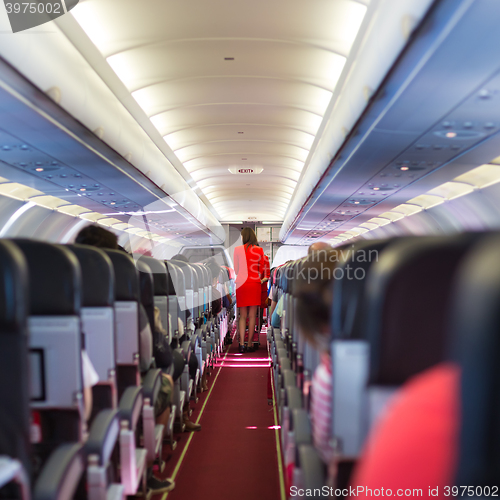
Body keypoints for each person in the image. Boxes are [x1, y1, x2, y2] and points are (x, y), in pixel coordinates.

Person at [233, 228, 265, 353]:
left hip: (241, 284)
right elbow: (261, 270)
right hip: (254, 284)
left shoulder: (237, 250)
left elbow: (236, 270)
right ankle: (250, 344)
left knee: (242, 316)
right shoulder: (259, 250)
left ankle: (241, 344)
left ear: (244, 237)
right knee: (252, 316)